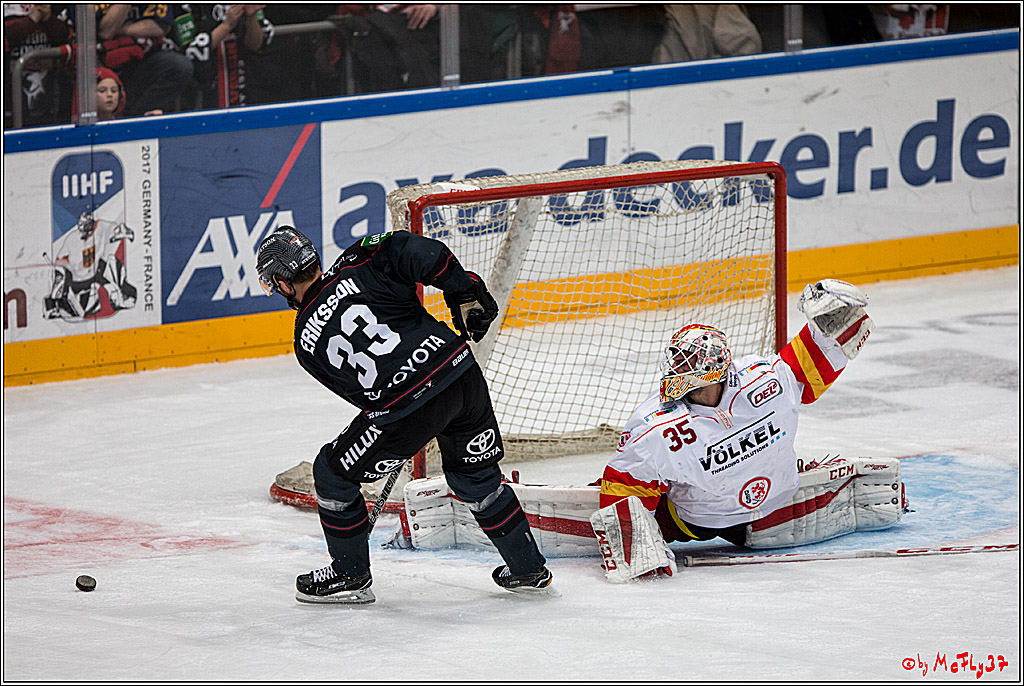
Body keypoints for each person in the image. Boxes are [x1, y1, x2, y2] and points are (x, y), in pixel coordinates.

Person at [255, 226, 552, 604]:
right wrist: (462, 287)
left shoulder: (305, 341)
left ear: (282, 282)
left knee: (332, 475)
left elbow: (366, 399)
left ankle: (350, 575)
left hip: (407, 409)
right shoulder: (358, 260)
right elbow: (425, 253)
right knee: (476, 478)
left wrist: (405, 429)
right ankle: (528, 569)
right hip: (460, 371)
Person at [591, 279, 904, 581]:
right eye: (676, 361)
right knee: (644, 487)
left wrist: (840, 314)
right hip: (693, 524)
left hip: (761, 513)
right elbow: (626, 481)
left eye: (686, 362)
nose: (675, 370)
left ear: (712, 367)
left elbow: (820, 358)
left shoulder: (765, 380)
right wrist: (634, 551)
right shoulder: (656, 425)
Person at [94, 3, 193, 116]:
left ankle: (141, 117)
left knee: (179, 66)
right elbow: (105, 32)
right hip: (101, 61)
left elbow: (160, 27)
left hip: (141, 61)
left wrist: (121, 30)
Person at [45, 210, 137, 321]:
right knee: (79, 311)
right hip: (79, 279)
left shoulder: (101, 227)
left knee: (112, 262)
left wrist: (124, 232)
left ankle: (124, 295)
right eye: (80, 228)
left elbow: (116, 229)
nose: (82, 233)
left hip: (96, 273)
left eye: (84, 229)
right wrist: (64, 271)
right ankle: (53, 306)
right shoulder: (72, 239)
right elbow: (60, 260)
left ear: (90, 226)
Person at [175, 3, 269, 109]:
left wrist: (251, 17)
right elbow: (190, 52)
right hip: (201, 87)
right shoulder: (185, 6)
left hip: (244, 83)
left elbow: (255, 46)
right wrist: (226, 26)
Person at [4, 3, 74, 127]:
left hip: (52, 97)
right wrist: (31, 20)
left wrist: (49, 19)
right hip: (9, 99)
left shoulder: (56, 7)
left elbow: (67, 38)